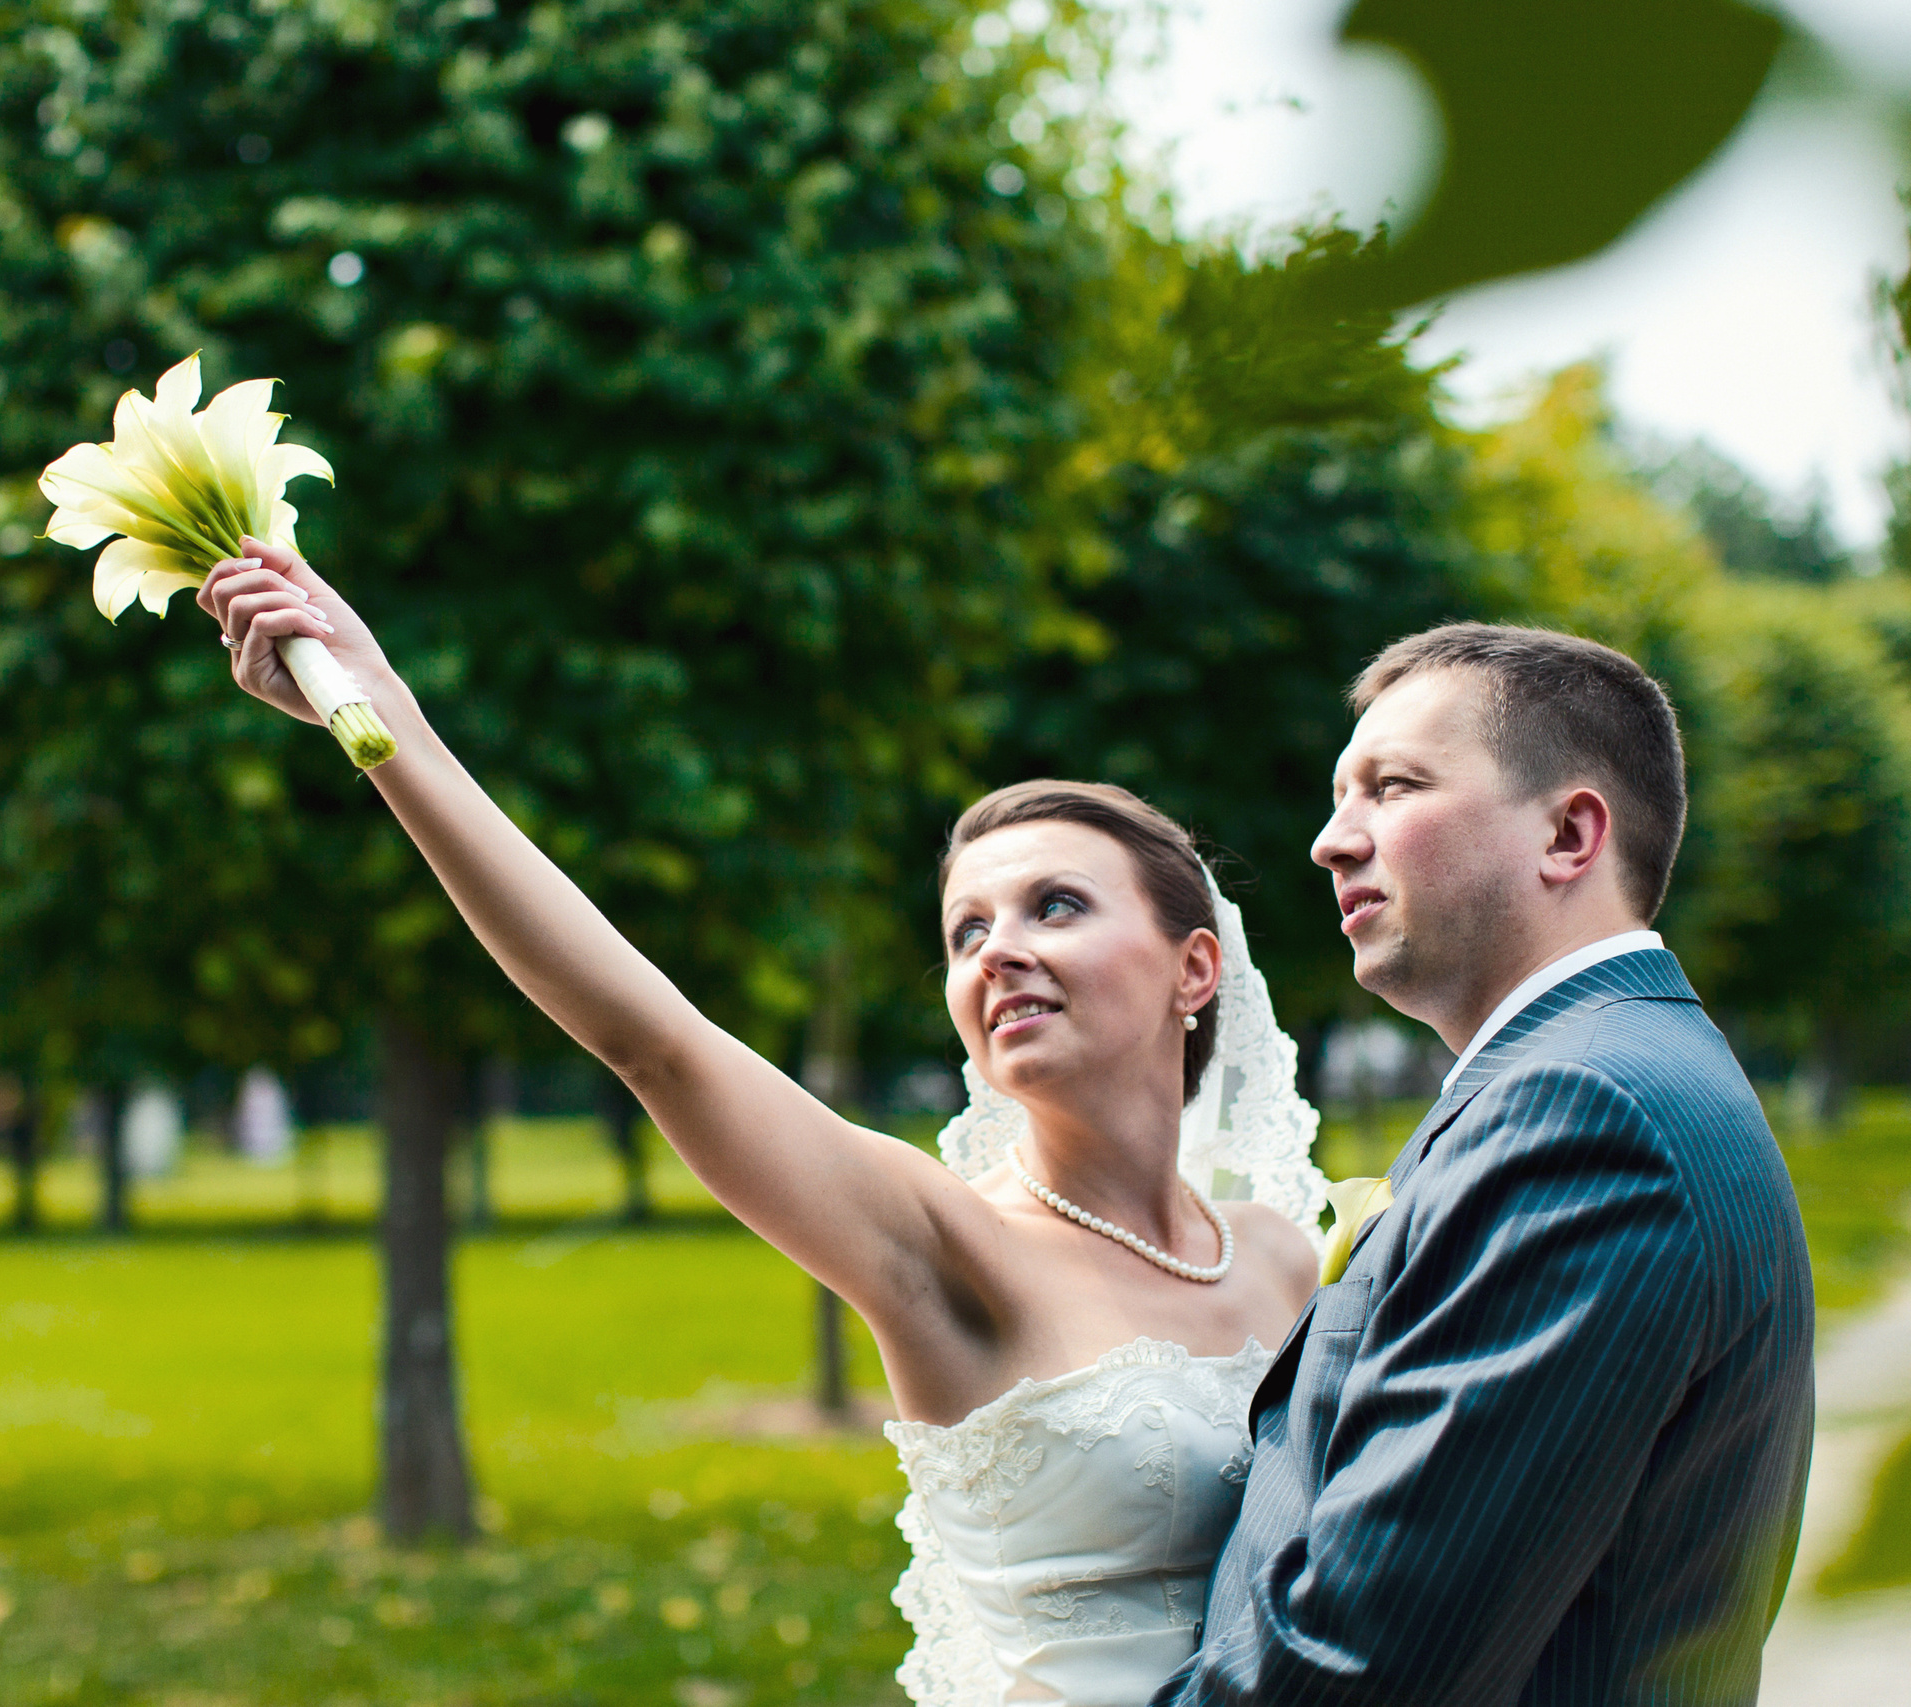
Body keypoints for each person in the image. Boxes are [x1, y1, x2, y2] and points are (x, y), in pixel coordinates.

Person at [198, 537, 1324, 1706]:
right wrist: (388, 729)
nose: (1002, 952)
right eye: (966, 932)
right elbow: (657, 1045)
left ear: (1195, 971)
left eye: (1055, 906)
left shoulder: (1288, 1256)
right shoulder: (945, 1243)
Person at [1152, 624, 1815, 1707]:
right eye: (1338, 794)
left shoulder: (1586, 1118)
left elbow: (1367, 1664)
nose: (1329, 839)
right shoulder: (1598, 1075)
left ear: (1567, 833)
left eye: (1392, 787)